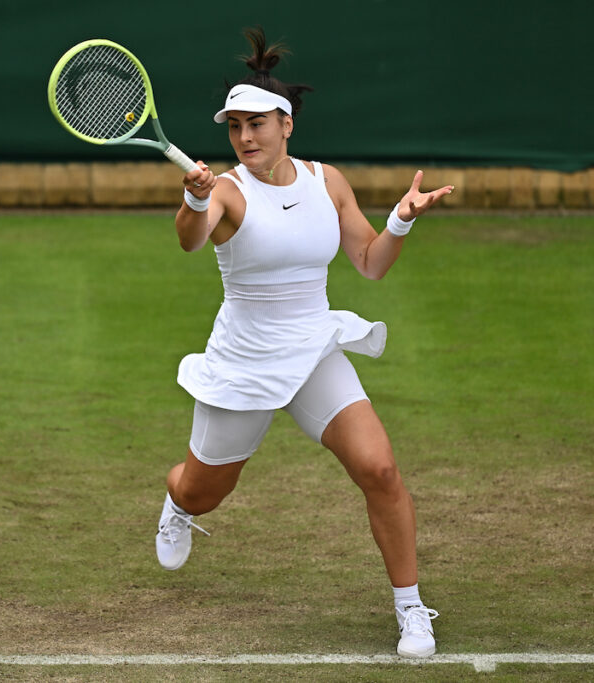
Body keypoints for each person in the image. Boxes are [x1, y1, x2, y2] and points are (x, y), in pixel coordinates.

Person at [153, 27, 454, 658]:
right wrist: (192, 197)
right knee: (203, 491)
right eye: (235, 126)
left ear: (286, 124)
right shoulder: (229, 190)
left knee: (380, 468)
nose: (245, 137)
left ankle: (410, 610)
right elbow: (190, 239)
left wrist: (401, 219)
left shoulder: (328, 182)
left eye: (257, 123)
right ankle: (176, 503)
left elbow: (370, 262)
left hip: (314, 348)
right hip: (244, 361)